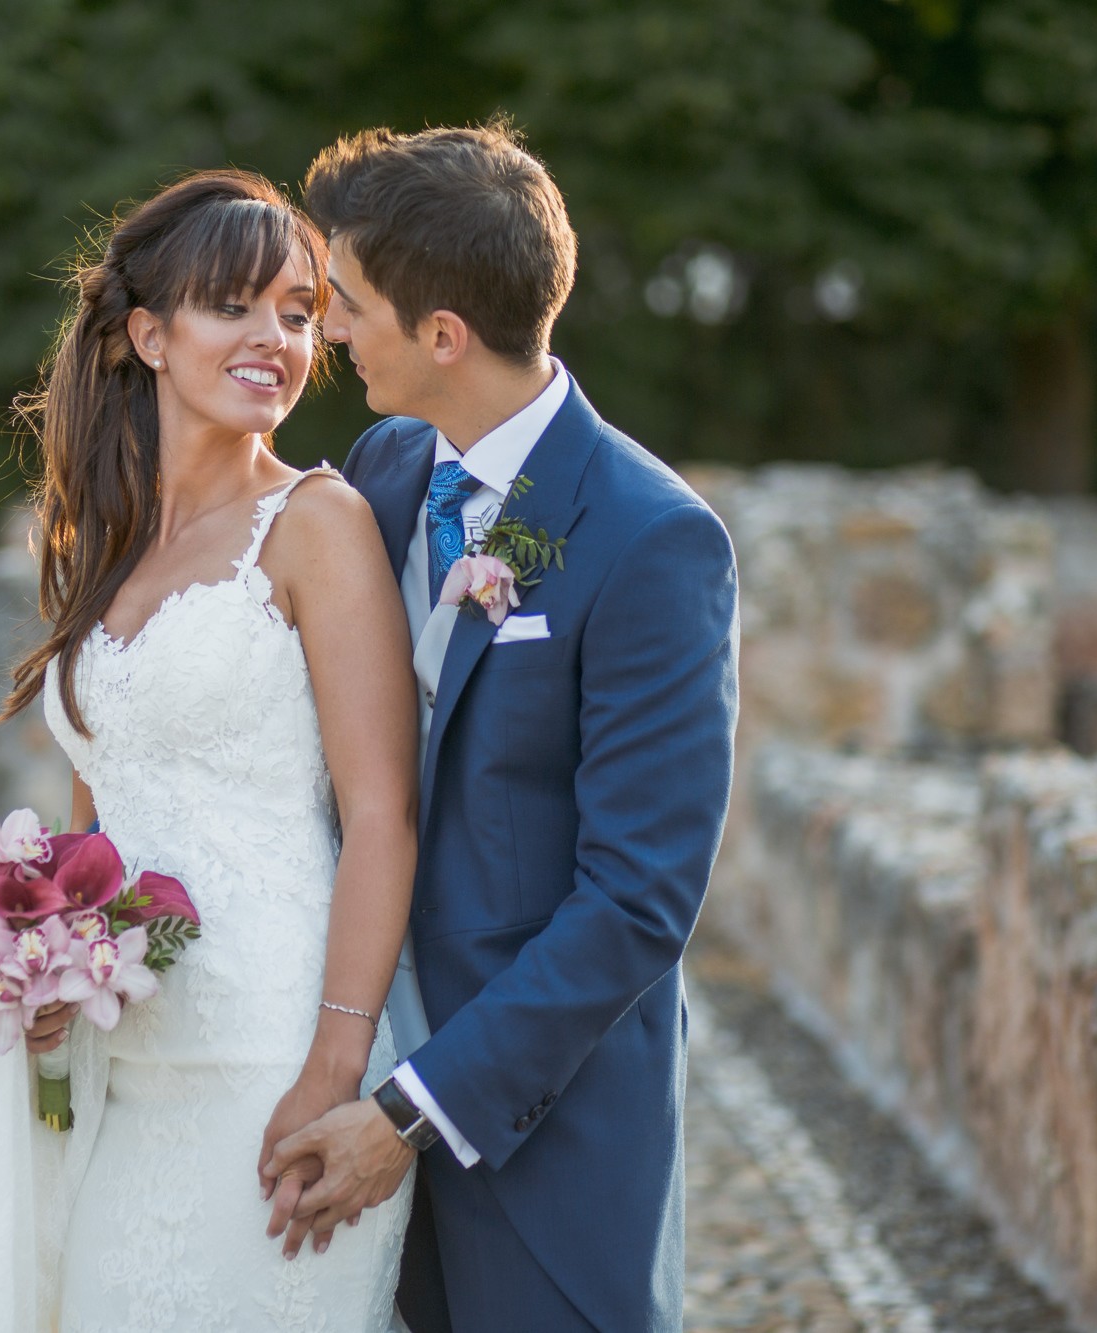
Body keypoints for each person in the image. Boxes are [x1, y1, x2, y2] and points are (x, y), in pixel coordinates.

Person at [0, 170, 420, 1332]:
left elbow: (381, 813)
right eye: (236, 305)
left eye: (300, 312)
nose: (275, 337)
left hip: (268, 1058)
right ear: (148, 334)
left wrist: (334, 1064)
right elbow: (97, 828)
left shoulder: (318, 523)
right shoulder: (102, 544)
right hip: (120, 1071)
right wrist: (41, 960)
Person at [259, 122, 740, 1332]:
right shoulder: (382, 465)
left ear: (441, 336)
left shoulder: (647, 539)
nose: (328, 331)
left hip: (540, 1143)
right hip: (340, 1076)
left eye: (347, 303)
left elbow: (636, 898)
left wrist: (410, 1114)